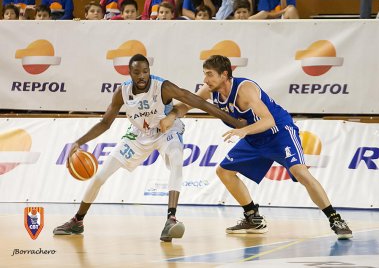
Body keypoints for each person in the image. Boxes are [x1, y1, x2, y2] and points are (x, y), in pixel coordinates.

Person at [53, 54, 244, 242]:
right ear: (130, 73)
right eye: (137, 72)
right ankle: (77, 221)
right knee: (100, 176)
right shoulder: (122, 92)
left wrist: (234, 121)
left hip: (165, 129)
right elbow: (105, 123)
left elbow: (199, 102)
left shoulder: (163, 87)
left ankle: (171, 218)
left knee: (177, 158)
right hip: (138, 134)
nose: (142, 76)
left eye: (145, 71)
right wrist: (79, 142)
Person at [163, 55, 353, 239]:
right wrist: (170, 116)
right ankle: (252, 217)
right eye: (205, 74)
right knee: (224, 171)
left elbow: (268, 120)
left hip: (278, 133)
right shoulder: (210, 89)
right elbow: (187, 104)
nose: (205, 79)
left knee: (300, 172)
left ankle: (335, 219)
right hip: (254, 136)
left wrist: (244, 131)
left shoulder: (244, 90)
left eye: (209, 74)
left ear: (224, 74)